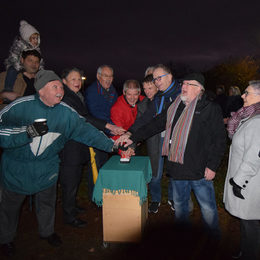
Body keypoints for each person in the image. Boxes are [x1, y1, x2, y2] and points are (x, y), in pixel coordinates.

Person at [0, 70, 117, 257]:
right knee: (9, 208)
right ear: (41, 90)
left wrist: (112, 145)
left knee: (46, 203)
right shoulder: (20, 107)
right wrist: (27, 132)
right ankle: (5, 239)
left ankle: (47, 232)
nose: (60, 91)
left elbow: (86, 131)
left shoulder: (66, 113)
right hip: (17, 169)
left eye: (61, 87)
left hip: (47, 168)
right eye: (55, 87)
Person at [116, 73, 226, 239]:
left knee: (208, 207)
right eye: (184, 83)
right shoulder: (176, 106)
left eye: (189, 84)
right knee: (180, 207)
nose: (184, 86)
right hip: (177, 168)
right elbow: (154, 125)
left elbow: (219, 140)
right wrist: (132, 137)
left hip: (200, 170)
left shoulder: (210, 109)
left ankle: (214, 239)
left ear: (199, 89)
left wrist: (212, 166)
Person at [60, 68, 124, 228]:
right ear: (64, 81)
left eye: (78, 79)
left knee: (75, 178)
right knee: (70, 180)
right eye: (72, 79)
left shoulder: (77, 95)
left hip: (79, 144)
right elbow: (84, 118)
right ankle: (69, 215)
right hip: (69, 147)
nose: (77, 82)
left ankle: (72, 206)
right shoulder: (66, 98)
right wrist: (108, 125)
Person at [120, 64, 181, 213]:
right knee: (155, 173)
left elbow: (161, 121)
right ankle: (155, 199)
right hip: (156, 140)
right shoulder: (158, 97)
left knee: (175, 171)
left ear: (169, 77)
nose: (156, 82)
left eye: (158, 79)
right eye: (155, 79)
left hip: (175, 140)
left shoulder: (181, 93)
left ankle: (174, 198)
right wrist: (130, 134)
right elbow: (146, 119)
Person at [224, 81, 260, 260]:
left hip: (249, 184)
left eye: (247, 93)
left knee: (251, 224)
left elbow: (254, 157)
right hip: (248, 182)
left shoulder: (257, 122)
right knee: (247, 224)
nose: (243, 96)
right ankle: (245, 252)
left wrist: (239, 182)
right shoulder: (249, 117)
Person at [85, 65, 118, 169]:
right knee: (96, 165)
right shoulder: (92, 91)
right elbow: (96, 113)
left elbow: (116, 110)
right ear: (98, 76)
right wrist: (112, 128)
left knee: (105, 163)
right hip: (97, 133)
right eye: (105, 76)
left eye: (111, 76)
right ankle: (95, 185)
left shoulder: (112, 91)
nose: (108, 79)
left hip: (108, 132)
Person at [3, 20, 44, 95]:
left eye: (37, 38)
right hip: (16, 64)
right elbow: (13, 57)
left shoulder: (37, 49)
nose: (35, 40)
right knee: (12, 71)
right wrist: (22, 69)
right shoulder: (19, 45)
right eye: (33, 38)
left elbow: (40, 61)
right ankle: (8, 89)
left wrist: (41, 70)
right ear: (27, 38)